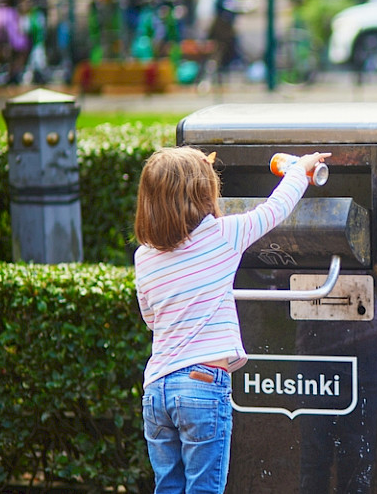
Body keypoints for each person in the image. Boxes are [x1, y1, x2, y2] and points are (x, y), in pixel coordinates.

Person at [134, 146, 330, 493]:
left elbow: (151, 318)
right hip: (201, 383)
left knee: (167, 487)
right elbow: (275, 210)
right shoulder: (223, 235)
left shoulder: (144, 256)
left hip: (157, 390)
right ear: (204, 193)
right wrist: (300, 169)